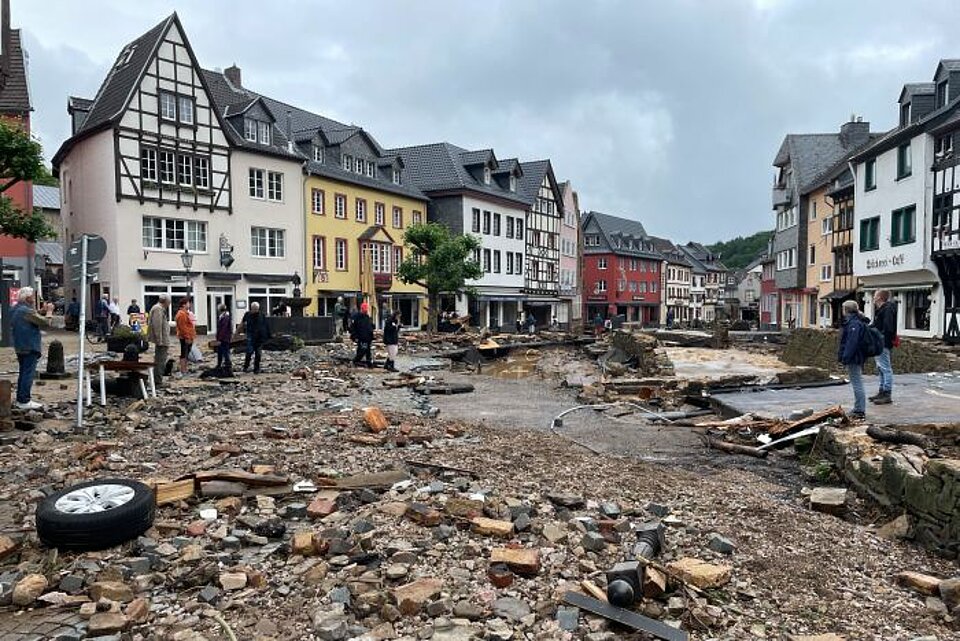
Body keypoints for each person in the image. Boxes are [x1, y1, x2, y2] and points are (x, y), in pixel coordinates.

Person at [11, 287, 52, 410]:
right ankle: (24, 400)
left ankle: (21, 399)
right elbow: (45, 323)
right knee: (28, 373)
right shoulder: (26, 311)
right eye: (33, 297)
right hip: (29, 345)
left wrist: (41, 311)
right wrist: (49, 311)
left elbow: (31, 317)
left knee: (23, 372)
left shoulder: (15, 309)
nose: (34, 299)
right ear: (28, 298)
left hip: (20, 345)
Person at [838, 299, 868, 420]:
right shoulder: (856, 321)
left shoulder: (854, 324)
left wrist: (845, 357)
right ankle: (858, 407)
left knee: (857, 383)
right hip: (857, 356)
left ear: (845, 310)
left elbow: (852, 343)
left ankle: (859, 409)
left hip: (854, 357)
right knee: (857, 381)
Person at [870, 290, 898, 405]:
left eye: (875, 296)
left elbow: (888, 328)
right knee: (881, 368)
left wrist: (880, 338)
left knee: (885, 368)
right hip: (879, 342)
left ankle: (887, 393)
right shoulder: (882, 310)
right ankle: (882, 391)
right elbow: (877, 325)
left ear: (879, 298)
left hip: (883, 343)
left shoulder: (887, 309)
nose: (873, 298)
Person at [147, 295, 171, 387]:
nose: (169, 304)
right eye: (169, 302)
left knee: (160, 359)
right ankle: (157, 381)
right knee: (160, 360)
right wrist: (159, 340)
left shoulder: (158, 308)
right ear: (165, 301)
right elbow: (157, 325)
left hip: (163, 339)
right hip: (162, 340)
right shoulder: (158, 309)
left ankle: (157, 380)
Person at [241, 302, 271, 374]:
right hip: (250, 336)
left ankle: (256, 369)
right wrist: (238, 333)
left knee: (258, 354)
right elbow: (242, 323)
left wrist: (268, 335)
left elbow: (266, 325)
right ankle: (246, 366)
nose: (255, 310)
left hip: (259, 337)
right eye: (254, 309)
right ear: (251, 308)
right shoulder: (247, 314)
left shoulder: (262, 315)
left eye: (256, 309)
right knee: (249, 352)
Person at [175, 298, 196, 376]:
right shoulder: (182, 314)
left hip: (187, 336)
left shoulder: (185, 313)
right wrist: (187, 337)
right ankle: (183, 370)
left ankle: (185, 369)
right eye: (188, 303)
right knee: (184, 353)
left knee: (186, 353)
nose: (189, 305)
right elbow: (182, 327)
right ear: (183, 304)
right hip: (185, 337)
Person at [351, 302, 374, 368]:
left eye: (366, 310)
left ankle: (368, 361)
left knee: (367, 350)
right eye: (365, 310)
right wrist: (354, 336)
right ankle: (356, 360)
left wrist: (372, 329)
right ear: (361, 309)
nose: (366, 311)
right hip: (361, 337)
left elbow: (369, 326)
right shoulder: (357, 317)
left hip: (367, 336)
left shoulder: (367, 316)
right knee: (363, 349)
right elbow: (353, 327)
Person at [215, 303, 233, 375]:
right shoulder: (223, 316)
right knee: (220, 352)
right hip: (224, 337)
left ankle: (228, 366)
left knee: (225, 352)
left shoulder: (225, 317)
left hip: (224, 338)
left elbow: (223, 329)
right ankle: (219, 364)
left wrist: (219, 339)